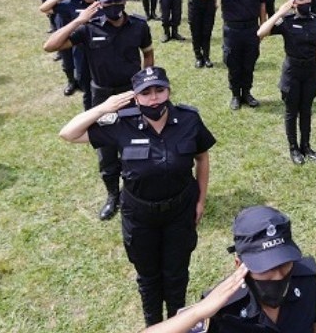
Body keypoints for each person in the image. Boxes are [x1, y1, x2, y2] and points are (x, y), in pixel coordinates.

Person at [59, 66, 215, 326]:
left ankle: (179, 324)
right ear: (136, 97)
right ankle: (153, 326)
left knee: (176, 274)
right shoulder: (122, 123)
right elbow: (68, 133)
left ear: (169, 91)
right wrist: (102, 108)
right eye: (146, 93)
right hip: (140, 215)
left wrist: (200, 200)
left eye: (159, 90)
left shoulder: (188, 120)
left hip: (179, 210)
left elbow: (202, 157)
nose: (154, 98)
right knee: (149, 277)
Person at [44, 0, 155, 220]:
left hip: (131, 94)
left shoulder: (138, 25)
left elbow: (147, 53)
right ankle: (113, 195)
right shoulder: (89, 27)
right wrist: (78, 21)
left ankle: (135, 191)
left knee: (137, 142)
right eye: (108, 3)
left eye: (117, 2)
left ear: (124, 0)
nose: (113, 7)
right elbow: (50, 46)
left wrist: (147, 85)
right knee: (106, 148)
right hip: (103, 97)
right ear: (99, 3)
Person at [143, 206, 316, 333]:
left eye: (284, 263)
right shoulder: (223, 309)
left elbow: (313, 325)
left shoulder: (305, 279)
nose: (278, 276)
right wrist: (198, 312)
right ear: (239, 264)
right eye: (266, 268)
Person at [258, 0, 316, 164]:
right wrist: (279, 13)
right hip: (292, 72)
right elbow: (261, 32)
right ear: (294, 3)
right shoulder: (286, 21)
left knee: (306, 110)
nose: (306, 2)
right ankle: (293, 148)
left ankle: (306, 146)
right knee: (291, 111)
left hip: (310, 72)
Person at [199, 0, 268, 110]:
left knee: (249, 63)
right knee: (233, 63)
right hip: (232, 30)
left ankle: (247, 93)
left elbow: (262, 4)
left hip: (251, 29)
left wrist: (263, 25)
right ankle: (236, 95)